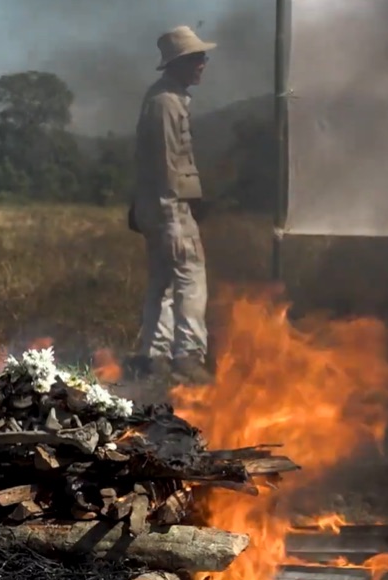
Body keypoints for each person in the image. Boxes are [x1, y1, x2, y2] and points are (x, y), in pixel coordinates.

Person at [129, 26, 215, 384]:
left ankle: (156, 356)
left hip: (163, 206)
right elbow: (166, 164)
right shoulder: (166, 102)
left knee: (163, 281)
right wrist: (172, 220)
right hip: (170, 208)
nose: (202, 65)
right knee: (190, 278)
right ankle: (188, 357)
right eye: (197, 58)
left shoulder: (166, 97)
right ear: (178, 63)